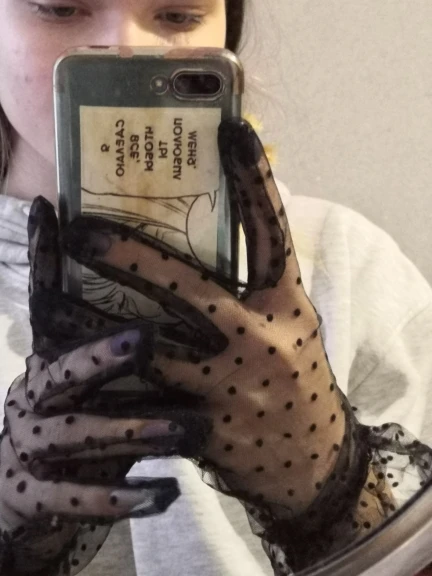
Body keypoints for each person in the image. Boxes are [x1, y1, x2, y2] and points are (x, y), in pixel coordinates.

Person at [1, 1, 432, 575]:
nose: (129, 49)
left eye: (178, 14)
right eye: (60, 6)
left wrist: (331, 490)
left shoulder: (349, 265)